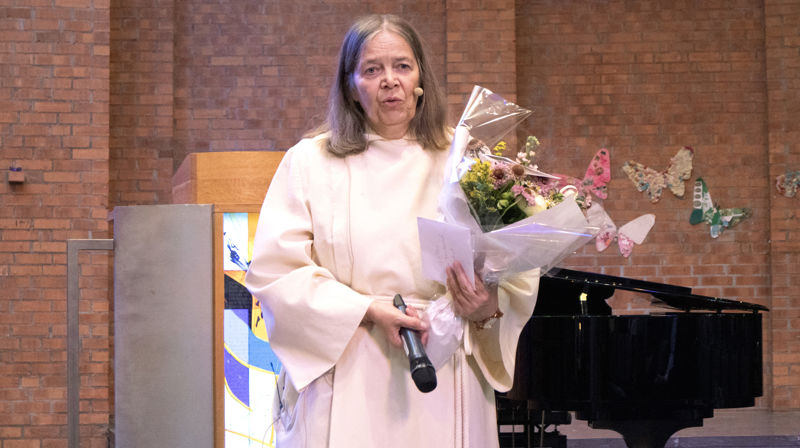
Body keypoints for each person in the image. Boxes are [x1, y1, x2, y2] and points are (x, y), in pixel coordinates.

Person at [244, 14, 540, 448]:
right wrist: (365, 309)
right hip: (349, 365)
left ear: (420, 78)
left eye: (402, 66)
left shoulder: (464, 159)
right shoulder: (310, 162)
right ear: (351, 86)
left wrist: (486, 305)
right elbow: (276, 273)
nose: (390, 81)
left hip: (445, 366)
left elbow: (514, 270)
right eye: (372, 69)